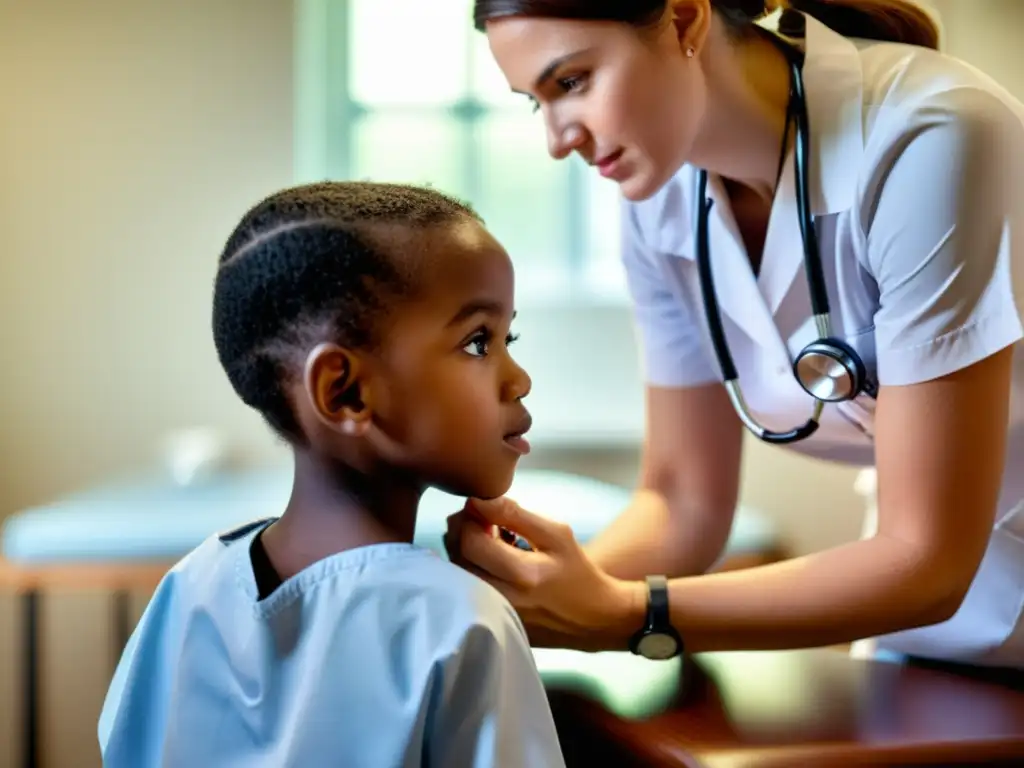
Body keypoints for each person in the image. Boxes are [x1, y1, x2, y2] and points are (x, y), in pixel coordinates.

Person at [446, 0, 1024, 670]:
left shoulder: (932, 134)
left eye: (571, 82)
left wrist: (631, 614)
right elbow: (683, 503)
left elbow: (925, 559)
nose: (556, 139)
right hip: (923, 630)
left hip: (937, 585)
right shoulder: (659, 203)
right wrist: (513, 605)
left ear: (687, 19)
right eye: (533, 102)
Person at [97, 182, 566, 767]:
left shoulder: (189, 588)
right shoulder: (460, 623)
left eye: (507, 338)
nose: (517, 377)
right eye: (478, 342)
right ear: (344, 391)